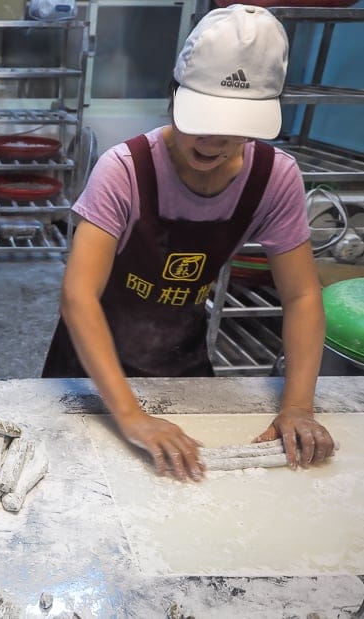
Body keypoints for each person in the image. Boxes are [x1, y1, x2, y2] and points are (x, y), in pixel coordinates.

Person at [42, 4, 336, 481]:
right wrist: (131, 415)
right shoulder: (126, 170)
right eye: (202, 118)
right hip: (87, 366)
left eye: (235, 126)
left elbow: (302, 296)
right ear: (173, 95)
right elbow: (78, 296)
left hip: (180, 358)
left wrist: (299, 405)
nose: (214, 142)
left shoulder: (273, 178)